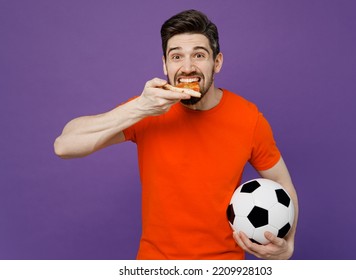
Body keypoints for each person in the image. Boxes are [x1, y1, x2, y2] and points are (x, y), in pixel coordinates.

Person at [54, 9, 298, 260]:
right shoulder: (148, 108)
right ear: (165, 64)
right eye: (176, 56)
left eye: (199, 55)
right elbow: (64, 145)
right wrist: (139, 108)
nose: (188, 67)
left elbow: (282, 181)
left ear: (217, 62)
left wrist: (288, 245)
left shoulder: (248, 118)